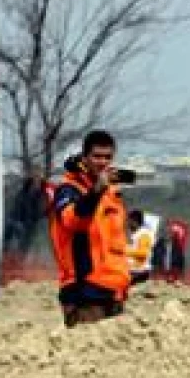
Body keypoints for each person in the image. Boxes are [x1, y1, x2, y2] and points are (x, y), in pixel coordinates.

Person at [47, 130, 131, 327]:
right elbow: (72, 220)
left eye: (108, 157)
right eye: (97, 156)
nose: (103, 162)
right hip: (84, 290)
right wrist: (96, 192)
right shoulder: (68, 190)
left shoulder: (111, 194)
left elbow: (114, 242)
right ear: (85, 158)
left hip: (113, 289)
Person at [152, 218, 189, 284]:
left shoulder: (177, 247)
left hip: (172, 269)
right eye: (167, 232)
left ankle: (174, 277)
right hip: (161, 270)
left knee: (177, 259)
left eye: (171, 233)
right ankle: (161, 277)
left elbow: (180, 263)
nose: (168, 234)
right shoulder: (159, 243)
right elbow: (154, 259)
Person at [125, 210, 155, 285]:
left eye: (128, 221)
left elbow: (143, 253)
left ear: (134, 221)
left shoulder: (143, 234)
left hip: (139, 272)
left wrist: (125, 251)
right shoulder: (135, 234)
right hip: (132, 270)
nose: (127, 224)